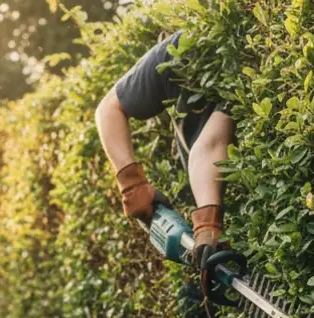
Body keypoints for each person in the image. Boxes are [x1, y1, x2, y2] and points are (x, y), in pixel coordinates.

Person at [95, 30, 236, 279]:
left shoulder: (238, 51)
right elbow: (108, 110)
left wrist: (208, 220)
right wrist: (133, 186)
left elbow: (211, 142)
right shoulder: (176, 50)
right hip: (201, 214)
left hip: (226, 212)